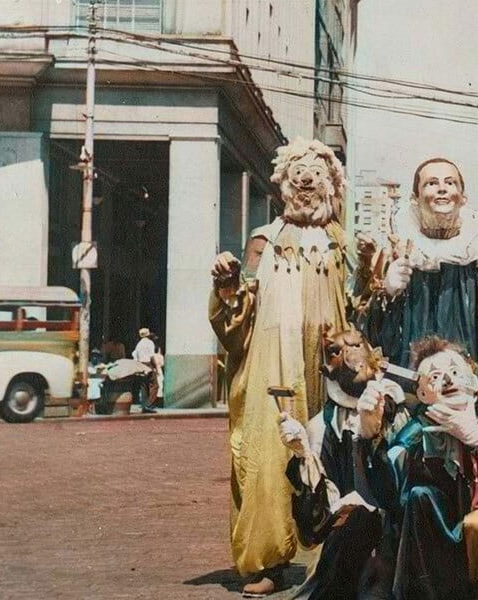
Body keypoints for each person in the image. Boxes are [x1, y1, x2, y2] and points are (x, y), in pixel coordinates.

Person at [209, 138, 352, 597]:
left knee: (332, 456)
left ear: (332, 184)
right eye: (298, 173)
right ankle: (269, 562)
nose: (307, 179)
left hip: (329, 369)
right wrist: (228, 287)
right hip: (273, 367)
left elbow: (361, 304)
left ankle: (337, 560)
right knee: (271, 460)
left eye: (317, 173)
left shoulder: (343, 244)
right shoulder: (263, 241)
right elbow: (240, 311)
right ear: (284, 184)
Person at [376, 336, 478, 600]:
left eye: (454, 372)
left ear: (472, 379)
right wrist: (369, 435)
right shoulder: (421, 425)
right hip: (446, 537)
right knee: (420, 495)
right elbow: (390, 475)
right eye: (436, 377)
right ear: (423, 393)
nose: (448, 381)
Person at [358, 157, 478, 388]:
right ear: (415, 198)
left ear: (463, 197)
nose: (442, 188)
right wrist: (387, 293)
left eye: (450, 183)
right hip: (407, 387)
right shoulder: (395, 252)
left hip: (465, 389)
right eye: (431, 183)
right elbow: (367, 336)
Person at [277, 326, 407, 599]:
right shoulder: (323, 427)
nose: (351, 353)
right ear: (328, 368)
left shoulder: (398, 411)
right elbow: (313, 529)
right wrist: (304, 458)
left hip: (398, 539)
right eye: (339, 350)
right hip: (349, 544)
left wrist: (374, 436)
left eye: (357, 344)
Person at [131, 328, 159, 413]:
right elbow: (152, 356)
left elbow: (135, 355)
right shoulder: (150, 343)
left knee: (143, 386)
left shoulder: (139, 344)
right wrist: (156, 367)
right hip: (148, 364)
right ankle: (149, 404)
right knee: (155, 385)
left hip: (140, 365)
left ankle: (144, 405)